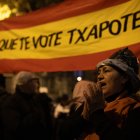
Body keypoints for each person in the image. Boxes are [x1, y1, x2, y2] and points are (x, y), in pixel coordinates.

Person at [56, 47, 140, 140]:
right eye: (99, 72)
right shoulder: (89, 103)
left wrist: (97, 113)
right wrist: (82, 118)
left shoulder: (134, 108)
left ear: (124, 78)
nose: (99, 76)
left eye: (106, 71)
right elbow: (62, 134)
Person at [0, 71, 54, 140]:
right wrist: (35, 114)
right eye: (33, 82)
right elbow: (17, 128)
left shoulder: (35, 100)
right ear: (23, 84)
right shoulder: (11, 103)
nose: (36, 85)